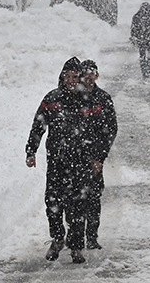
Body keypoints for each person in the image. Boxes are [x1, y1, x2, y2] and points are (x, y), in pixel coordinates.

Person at [25, 57, 113, 264]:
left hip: (81, 161)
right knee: (53, 202)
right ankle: (57, 239)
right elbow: (38, 125)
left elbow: (103, 131)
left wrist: (98, 157)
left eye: (75, 76)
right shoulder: (52, 99)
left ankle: (76, 246)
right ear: (62, 77)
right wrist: (31, 150)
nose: (71, 80)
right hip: (57, 161)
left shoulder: (89, 102)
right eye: (68, 76)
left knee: (77, 205)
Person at [78, 59, 117, 250]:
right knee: (74, 199)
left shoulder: (103, 98)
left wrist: (99, 157)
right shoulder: (72, 97)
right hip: (74, 158)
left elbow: (111, 129)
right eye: (85, 72)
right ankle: (75, 237)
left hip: (94, 158)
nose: (88, 76)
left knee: (93, 198)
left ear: (97, 75)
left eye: (92, 72)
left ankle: (92, 237)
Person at [130, 2, 150, 78]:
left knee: (142, 55)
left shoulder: (136, 16)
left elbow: (133, 28)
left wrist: (134, 37)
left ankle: (144, 70)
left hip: (141, 39)